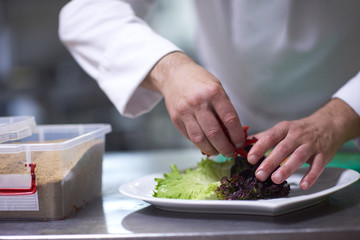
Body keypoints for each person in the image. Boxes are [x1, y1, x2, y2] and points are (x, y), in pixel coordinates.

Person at [59, 0, 360, 190]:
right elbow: (86, 12)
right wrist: (168, 69)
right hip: (238, 128)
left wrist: (338, 119)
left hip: (349, 130)